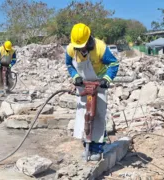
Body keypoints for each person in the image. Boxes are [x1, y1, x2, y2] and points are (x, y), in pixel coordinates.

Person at [65, 23, 119, 161]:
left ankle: (97, 149)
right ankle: (86, 147)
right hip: (83, 85)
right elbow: (69, 64)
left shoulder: (100, 47)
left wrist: (107, 79)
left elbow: (113, 64)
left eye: (82, 45)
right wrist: (75, 77)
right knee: (84, 115)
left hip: (98, 84)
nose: (80, 48)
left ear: (88, 39)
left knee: (99, 115)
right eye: (78, 47)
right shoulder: (71, 49)